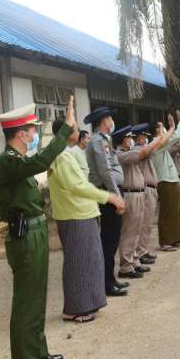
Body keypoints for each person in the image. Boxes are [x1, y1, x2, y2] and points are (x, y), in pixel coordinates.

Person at [0, 99, 75, 359]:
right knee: (26, 300)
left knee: (37, 296)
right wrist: (65, 130)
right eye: (32, 130)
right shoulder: (7, 162)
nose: (35, 134)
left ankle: (38, 351)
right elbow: (41, 162)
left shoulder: (18, 162)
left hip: (36, 231)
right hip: (24, 234)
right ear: (20, 134)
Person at [47, 119, 127, 324]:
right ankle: (75, 308)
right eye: (74, 128)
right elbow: (77, 186)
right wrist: (108, 197)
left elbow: (83, 182)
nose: (79, 131)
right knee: (78, 262)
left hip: (83, 212)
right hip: (73, 214)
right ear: (66, 132)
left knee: (91, 260)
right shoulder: (61, 155)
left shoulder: (70, 152)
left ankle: (90, 302)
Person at [114, 122, 171, 277]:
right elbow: (146, 150)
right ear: (123, 139)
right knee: (129, 232)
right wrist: (160, 135)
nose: (131, 140)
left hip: (138, 193)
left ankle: (134, 261)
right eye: (129, 138)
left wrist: (162, 135)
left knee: (137, 230)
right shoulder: (121, 154)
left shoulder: (129, 151)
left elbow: (151, 148)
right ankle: (126, 266)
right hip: (130, 194)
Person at [85, 107, 130, 295]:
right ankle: (106, 284)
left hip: (110, 191)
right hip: (107, 193)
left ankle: (110, 279)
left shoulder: (104, 140)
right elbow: (105, 171)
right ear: (104, 121)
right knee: (109, 239)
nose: (112, 121)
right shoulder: (98, 141)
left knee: (112, 238)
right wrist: (116, 196)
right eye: (110, 118)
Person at [150, 112, 180, 251]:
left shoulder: (161, 143)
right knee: (167, 211)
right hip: (164, 181)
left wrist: (175, 126)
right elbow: (175, 137)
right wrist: (176, 125)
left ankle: (175, 237)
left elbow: (173, 138)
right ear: (156, 131)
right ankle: (165, 241)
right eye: (161, 127)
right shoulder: (156, 144)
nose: (163, 129)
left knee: (176, 210)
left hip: (171, 179)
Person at [135, 125, 159, 265]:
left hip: (151, 189)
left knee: (148, 223)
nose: (145, 139)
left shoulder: (144, 149)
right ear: (138, 137)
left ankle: (143, 250)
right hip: (146, 189)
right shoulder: (138, 150)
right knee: (144, 224)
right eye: (143, 136)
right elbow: (157, 146)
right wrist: (161, 135)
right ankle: (140, 252)